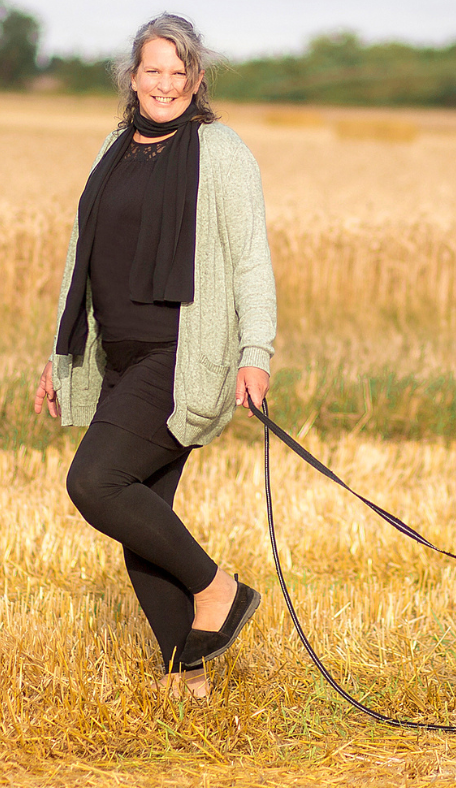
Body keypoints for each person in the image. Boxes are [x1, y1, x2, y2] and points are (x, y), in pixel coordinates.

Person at [33, 13, 276, 698]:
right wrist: (60, 355)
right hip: (118, 353)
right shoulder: (115, 145)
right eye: (153, 70)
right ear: (132, 77)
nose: (165, 84)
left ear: (196, 80)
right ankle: (185, 678)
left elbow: (251, 260)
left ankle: (218, 588)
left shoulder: (219, 150)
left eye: (178, 72)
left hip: (179, 357)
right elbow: (82, 256)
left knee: (96, 484)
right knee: (144, 522)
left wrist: (254, 354)